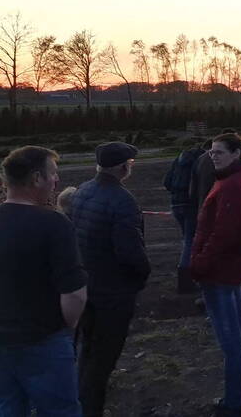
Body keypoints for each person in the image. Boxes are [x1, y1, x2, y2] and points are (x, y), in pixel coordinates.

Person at [0, 146, 88, 415]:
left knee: (8, 408)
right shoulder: (54, 224)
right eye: (53, 173)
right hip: (43, 341)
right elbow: (74, 293)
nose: (57, 180)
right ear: (37, 178)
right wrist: (65, 329)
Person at [71, 142, 151, 417]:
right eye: (131, 163)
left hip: (87, 287)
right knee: (103, 360)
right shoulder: (122, 200)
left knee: (87, 350)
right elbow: (131, 252)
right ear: (122, 167)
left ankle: (79, 404)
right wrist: (140, 277)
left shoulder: (82, 190)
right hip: (113, 294)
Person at [190, 133, 241, 416]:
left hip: (220, 271)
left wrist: (199, 264)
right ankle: (236, 397)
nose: (212, 156)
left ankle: (233, 403)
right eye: (211, 152)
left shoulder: (232, 185)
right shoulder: (240, 178)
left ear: (236, 154)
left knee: (231, 340)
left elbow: (223, 234)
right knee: (239, 334)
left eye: (218, 152)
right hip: (231, 268)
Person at [163, 140, 205, 294]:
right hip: (191, 206)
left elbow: (167, 182)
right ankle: (186, 280)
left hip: (176, 205)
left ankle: (187, 277)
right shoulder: (200, 161)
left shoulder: (179, 160)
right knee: (190, 241)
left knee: (187, 239)